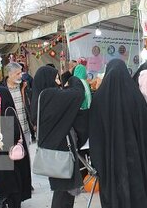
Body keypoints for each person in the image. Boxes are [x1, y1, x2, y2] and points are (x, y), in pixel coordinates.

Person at [89, 59, 147, 208]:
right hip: (138, 162)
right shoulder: (136, 97)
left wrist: (99, 163)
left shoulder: (99, 99)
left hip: (111, 163)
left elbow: (95, 135)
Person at [36, 75, 87, 208]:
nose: (58, 82)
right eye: (56, 78)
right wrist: (73, 80)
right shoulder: (51, 95)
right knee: (63, 192)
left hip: (52, 151)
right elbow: (78, 93)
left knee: (61, 191)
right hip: (62, 152)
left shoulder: (40, 97)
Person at [0, 87, 31, 208]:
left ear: (2, 98)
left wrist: (2, 143)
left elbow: (15, 133)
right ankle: (2, 200)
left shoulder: (8, 110)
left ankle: (10, 202)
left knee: (11, 181)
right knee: (0, 179)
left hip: (8, 155)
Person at [4, 62, 31, 144]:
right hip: (11, 130)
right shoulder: (2, 89)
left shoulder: (24, 85)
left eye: (21, 73)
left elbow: (29, 103)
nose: (21, 76)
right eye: (18, 73)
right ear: (10, 74)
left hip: (25, 128)